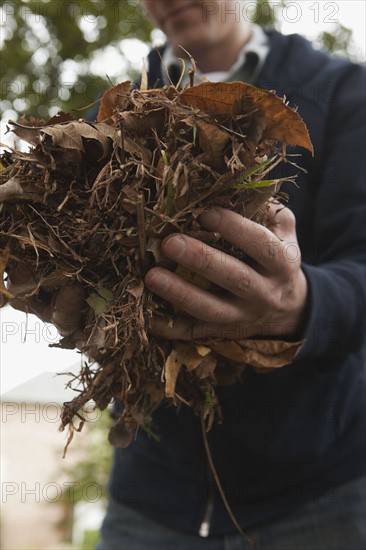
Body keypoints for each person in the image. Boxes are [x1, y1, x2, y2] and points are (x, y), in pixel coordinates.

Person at [6, 1, 365, 549]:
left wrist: (302, 304)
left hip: (317, 492)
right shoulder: (109, 116)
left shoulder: (343, 93)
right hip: (151, 499)